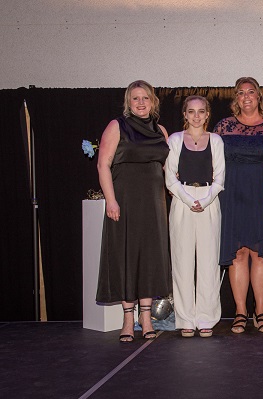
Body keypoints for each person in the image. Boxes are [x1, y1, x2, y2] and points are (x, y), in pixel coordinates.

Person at [96, 80, 171, 342]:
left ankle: (146, 318)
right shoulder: (118, 126)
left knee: (150, 258)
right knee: (126, 257)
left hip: (154, 203)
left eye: (145, 98)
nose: (141, 103)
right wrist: (111, 201)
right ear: (129, 102)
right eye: (135, 98)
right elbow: (103, 164)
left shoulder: (160, 130)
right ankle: (128, 320)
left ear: (153, 101)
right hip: (125, 201)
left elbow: (168, 169)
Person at [214, 77, 263, 334]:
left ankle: (261, 312)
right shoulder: (222, 126)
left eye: (251, 92)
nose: (246, 97)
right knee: (238, 254)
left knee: (261, 254)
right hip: (232, 195)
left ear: (259, 97)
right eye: (241, 93)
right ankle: (240, 313)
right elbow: (209, 159)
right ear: (236, 99)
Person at [165, 96, 225, 338]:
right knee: (182, 261)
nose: (196, 116)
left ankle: (206, 318)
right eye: (192, 112)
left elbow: (220, 177)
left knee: (209, 262)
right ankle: (186, 319)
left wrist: (205, 199)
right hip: (182, 202)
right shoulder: (175, 140)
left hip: (209, 200)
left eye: (201, 112)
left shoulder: (217, 140)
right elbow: (170, 178)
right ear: (185, 115)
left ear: (207, 114)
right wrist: (190, 200)